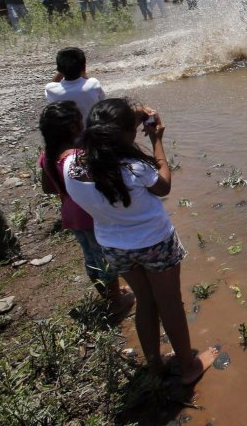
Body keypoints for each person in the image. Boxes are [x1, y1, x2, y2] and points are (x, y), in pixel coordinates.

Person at [63, 99, 218, 384]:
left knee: (146, 301)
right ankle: (188, 367)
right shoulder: (133, 167)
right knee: (170, 303)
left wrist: (134, 117)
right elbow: (164, 185)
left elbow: (109, 137)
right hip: (153, 242)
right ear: (125, 134)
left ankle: (155, 365)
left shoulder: (72, 165)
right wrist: (157, 140)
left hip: (114, 246)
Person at [39, 102, 134, 316]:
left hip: (71, 216)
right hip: (89, 215)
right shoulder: (77, 157)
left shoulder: (48, 155)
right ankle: (116, 303)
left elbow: (47, 188)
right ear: (74, 126)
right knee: (104, 260)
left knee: (90, 258)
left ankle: (109, 296)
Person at [45, 47, 106, 119]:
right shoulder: (93, 84)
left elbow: (53, 84)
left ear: (59, 69)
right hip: (91, 128)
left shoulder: (51, 89)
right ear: (84, 67)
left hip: (67, 129)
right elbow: (102, 100)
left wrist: (62, 70)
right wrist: (82, 70)